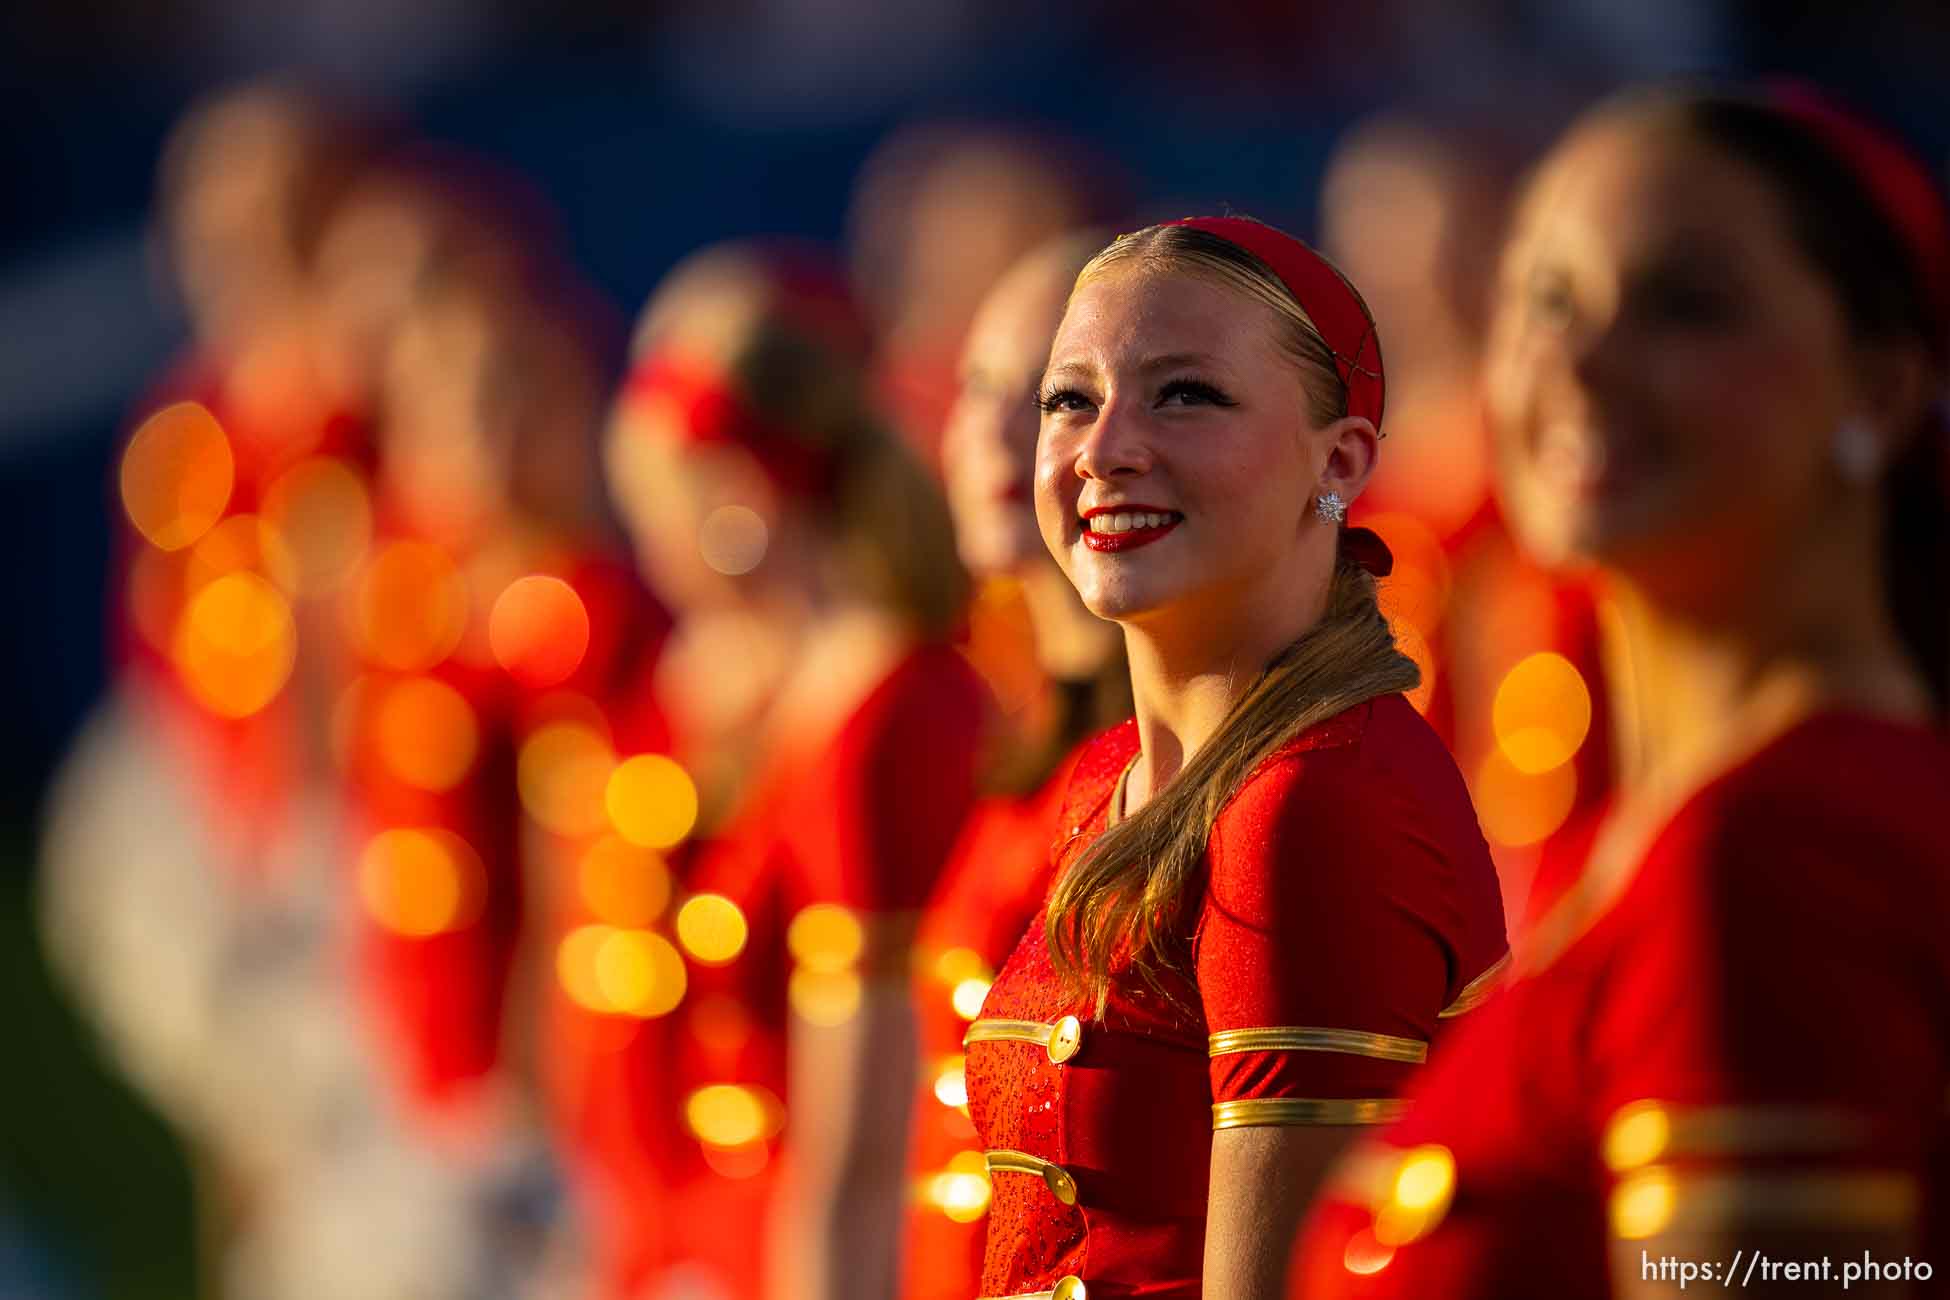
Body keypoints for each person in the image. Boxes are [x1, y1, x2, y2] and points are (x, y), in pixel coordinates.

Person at [1289, 85, 1950, 1300]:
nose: (1579, 361)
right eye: (1545, 298)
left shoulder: (1777, 850)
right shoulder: (1660, 839)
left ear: (1881, 390)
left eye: (1685, 307)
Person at [963, 216, 1508, 1299]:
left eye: (1186, 395)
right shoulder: (1105, 777)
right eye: (1069, 399)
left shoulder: (1310, 802)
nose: (1105, 448)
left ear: (1340, 460)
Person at [581, 242, 986, 1300]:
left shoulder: (880, 712)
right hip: (687, 1247)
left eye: (654, 511)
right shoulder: (719, 688)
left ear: (733, 498)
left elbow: (859, 1151)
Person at [905, 230, 1132, 1300]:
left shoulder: (1168, 768)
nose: (998, 430)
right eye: (979, 385)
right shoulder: (1011, 740)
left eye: (1054, 392)